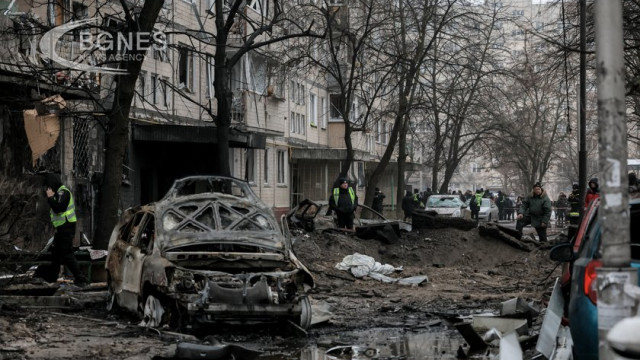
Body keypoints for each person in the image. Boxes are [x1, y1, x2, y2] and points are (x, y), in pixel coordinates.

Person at [35, 173, 89, 287]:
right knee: (56, 254)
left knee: (67, 254)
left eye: (47, 187)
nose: (46, 190)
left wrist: (50, 198)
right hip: (61, 229)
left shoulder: (63, 192)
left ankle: (81, 278)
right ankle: (52, 277)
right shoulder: (58, 193)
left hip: (66, 228)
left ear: (52, 185)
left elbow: (59, 209)